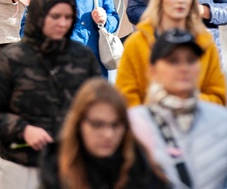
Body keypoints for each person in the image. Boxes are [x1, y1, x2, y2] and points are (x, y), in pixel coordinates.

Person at [0, 0, 101, 189]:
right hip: (22, 165)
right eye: (55, 16)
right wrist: (23, 130)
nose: (62, 23)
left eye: (68, 17)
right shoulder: (12, 60)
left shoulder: (83, 58)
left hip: (69, 164)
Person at [129, 29, 227, 189]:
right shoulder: (135, 124)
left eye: (191, 60)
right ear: (153, 72)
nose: (184, 68)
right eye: (173, 60)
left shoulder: (221, 119)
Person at [117, 0, 227, 106]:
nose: (180, 0)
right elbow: (126, 96)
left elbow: (218, 95)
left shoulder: (204, 41)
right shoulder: (137, 43)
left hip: (197, 123)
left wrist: (186, 103)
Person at [39, 78, 169, 189]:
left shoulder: (142, 168)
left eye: (116, 125)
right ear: (79, 124)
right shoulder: (56, 171)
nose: (108, 134)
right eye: (97, 125)